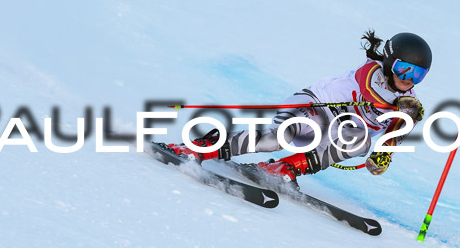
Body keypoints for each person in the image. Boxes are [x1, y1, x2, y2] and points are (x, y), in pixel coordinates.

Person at [167, 31, 432, 182]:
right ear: (389, 62)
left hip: (337, 131)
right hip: (313, 106)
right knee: (276, 139)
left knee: (359, 142)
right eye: (403, 69)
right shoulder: (371, 71)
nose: (408, 79)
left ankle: (283, 169)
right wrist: (398, 105)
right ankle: (198, 148)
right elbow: (367, 90)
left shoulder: (408, 105)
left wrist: (383, 155)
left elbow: (394, 136)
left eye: (417, 75)